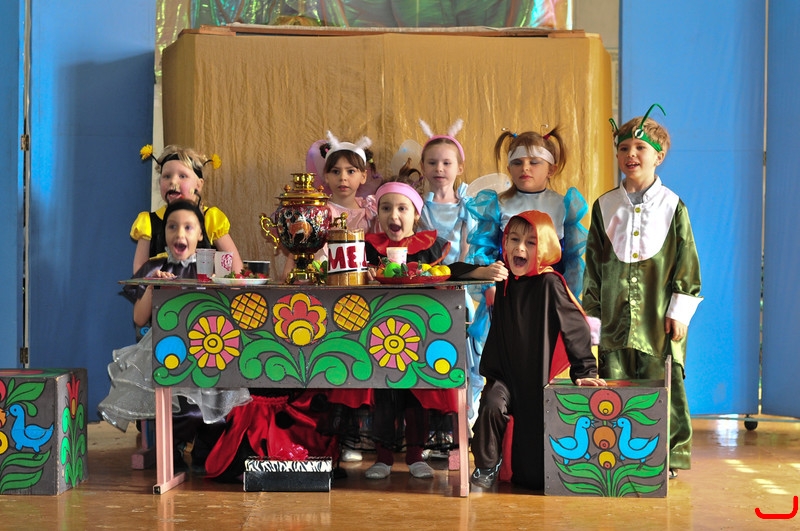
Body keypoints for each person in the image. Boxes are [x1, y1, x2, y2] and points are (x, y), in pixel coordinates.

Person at [581, 104, 702, 480]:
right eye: (623, 148)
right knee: (614, 382)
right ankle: (618, 452)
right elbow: (593, 266)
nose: (630, 154)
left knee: (663, 383)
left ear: (658, 156)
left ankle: (668, 455)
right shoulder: (605, 206)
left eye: (640, 148)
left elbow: (686, 261)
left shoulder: (672, 206)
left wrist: (679, 311)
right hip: (614, 318)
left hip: (657, 318)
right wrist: (592, 320)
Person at [363, 181, 507, 480]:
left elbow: (451, 271)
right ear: (378, 213)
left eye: (402, 208)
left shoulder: (429, 247)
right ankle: (383, 458)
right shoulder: (367, 247)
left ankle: (415, 456)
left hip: (418, 338)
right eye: (386, 208)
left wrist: (482, 271)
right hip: (379, 337)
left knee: (417, 398)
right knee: (384, 396)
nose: (394, 215)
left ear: (416, 214)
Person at [99, 200, 250, 467]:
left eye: (188, 227)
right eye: (172, 227)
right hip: (168, 349)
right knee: (177, 403)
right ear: (165, 232)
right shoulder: (155, 267)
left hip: (208, 348)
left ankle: (207, 447)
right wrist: (153, 286)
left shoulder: (213, 268)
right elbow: (139, 318)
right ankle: (172, 450)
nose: (180, 234)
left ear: (200, 234)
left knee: (216, 400)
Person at [469, 210, 606, 491]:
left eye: (530, 242)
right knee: (491, 406)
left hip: (535, 378)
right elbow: (456, 271)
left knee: (532, 467)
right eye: (514, 240)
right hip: (503, 376)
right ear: (505, 242)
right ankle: (486, 466)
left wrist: (585, 371)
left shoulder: (549, 283)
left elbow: (575, 326)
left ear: (544, 247)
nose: (520, 248)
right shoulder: (503, 278)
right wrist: (483, 272)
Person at [465, 126, 589, 426]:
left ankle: (541, 431)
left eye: (534, 162)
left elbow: (572, 258)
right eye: (518, 162)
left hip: (546, 299)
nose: (525, 169)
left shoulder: (561, 205)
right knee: (504, 365)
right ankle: (497, 429)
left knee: (540, 364)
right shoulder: (499, 204)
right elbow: (484, 250)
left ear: (551, 168)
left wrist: (567, 296)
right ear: (508, 167)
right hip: (507, 298)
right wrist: (489, 285)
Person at [414, 118, 481, 449]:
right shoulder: (418, 207)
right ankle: (432, 427)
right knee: (428, 355)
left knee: (463, 357)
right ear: (423, 167)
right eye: (432, 162)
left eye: (446, 163)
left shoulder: (467, 207)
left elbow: (467, 251)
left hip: (457, 290)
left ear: (459, 167)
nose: (439, 169)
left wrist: (458, 280)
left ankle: (462, 423)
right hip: (426, 291)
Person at [280, 132, 379, 281]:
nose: (343, 177)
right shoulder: (316, 213)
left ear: (363, 176)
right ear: (326, 176)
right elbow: (296, 255)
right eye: (336, 171)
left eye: (351, 171)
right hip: (320, 283)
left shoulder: (371, 210)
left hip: (362, 285)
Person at [132, 144, 243, 275]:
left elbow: (236, 268)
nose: (173, 181)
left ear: (199, 184)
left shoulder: (210, 218)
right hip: (162, 289)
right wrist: (153, 278)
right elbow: (139, 274)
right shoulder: (148, 222)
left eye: (182, 176)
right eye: (167, 176)